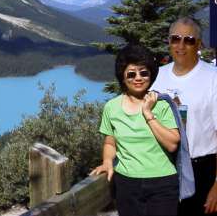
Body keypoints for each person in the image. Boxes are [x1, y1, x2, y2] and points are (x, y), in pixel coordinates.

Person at [91, 44, 180, 216]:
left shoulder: (162, 105)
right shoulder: (112, 107)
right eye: (131, 74)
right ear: (123, 78)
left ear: (151, 75)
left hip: (162, 184)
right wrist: (108, 162)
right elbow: (110, 141)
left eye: (143, 72)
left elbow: (172, 144)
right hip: (126, 183)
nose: (138, 78)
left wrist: (147, 112)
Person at [152, 17, 217, 215]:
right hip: (161, 169)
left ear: (198, 44)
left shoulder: (213, 78)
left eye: (188, 40)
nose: (181, 45)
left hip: (202, 172)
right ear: (169, 42)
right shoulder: (156, 76)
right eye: (175, 38)